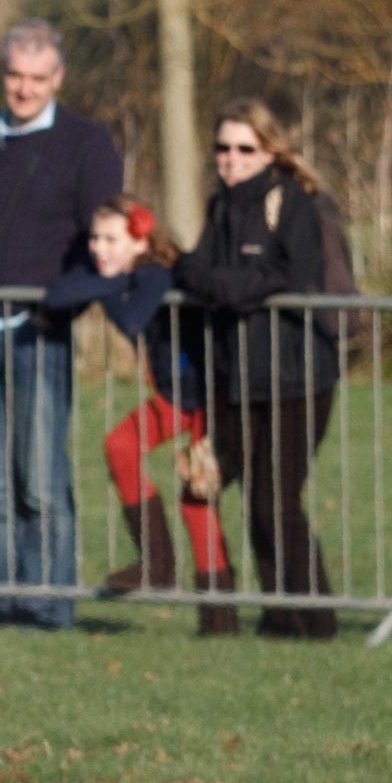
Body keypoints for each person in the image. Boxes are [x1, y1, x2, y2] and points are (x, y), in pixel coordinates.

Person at [0, 18, 125, 628]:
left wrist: (59, 305)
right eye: (14, 75)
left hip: (38, 336)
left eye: (37, 78)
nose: (24, 89)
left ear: (58, 78)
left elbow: (105, 240)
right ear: (2, 73)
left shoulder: (87, 144)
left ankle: (48, 606)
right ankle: (4, 602)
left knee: (41, 480)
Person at [174, 100, 341, 641]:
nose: (231, 158)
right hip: (241, 377)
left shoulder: (295, 204)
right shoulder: (221, 206)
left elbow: (268, 279)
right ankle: (279, 615)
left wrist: (219, 281)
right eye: (223, 148)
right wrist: (221, 280)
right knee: (254, 498)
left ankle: (313, 620)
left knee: (277, 498)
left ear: (270, 150)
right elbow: (197, 268)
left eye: (244, 148)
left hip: (298, 377)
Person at [43, 198, 232, 631]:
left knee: (196, 499)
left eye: (111, 239)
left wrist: (105, 284)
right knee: (121, 446)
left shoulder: (153, 273)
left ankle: (217, 613)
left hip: (200, 398)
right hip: (175, 395)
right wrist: (105, 278)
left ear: (141, 235)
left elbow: (131, 317)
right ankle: (158, 562)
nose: (98, 248)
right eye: (94, 238)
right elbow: (57, 295)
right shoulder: (125, 273)